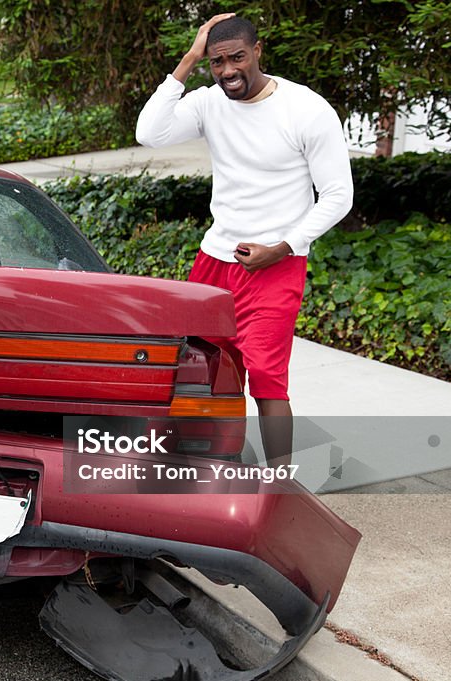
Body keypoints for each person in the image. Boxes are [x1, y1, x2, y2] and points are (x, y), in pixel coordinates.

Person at [135, 14, 353, 465]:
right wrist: (190, 58)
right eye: (217, 62)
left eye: (237, 57)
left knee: (268, 378)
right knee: (201, 372)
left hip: (276, 266)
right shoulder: (209, 102)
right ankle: (199, 468)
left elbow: (338, 195)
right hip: (215, 261)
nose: (228, 70)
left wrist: (284, 245)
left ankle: (280, 489)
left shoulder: (306, 109)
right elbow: (149, 133)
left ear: (258, 50)